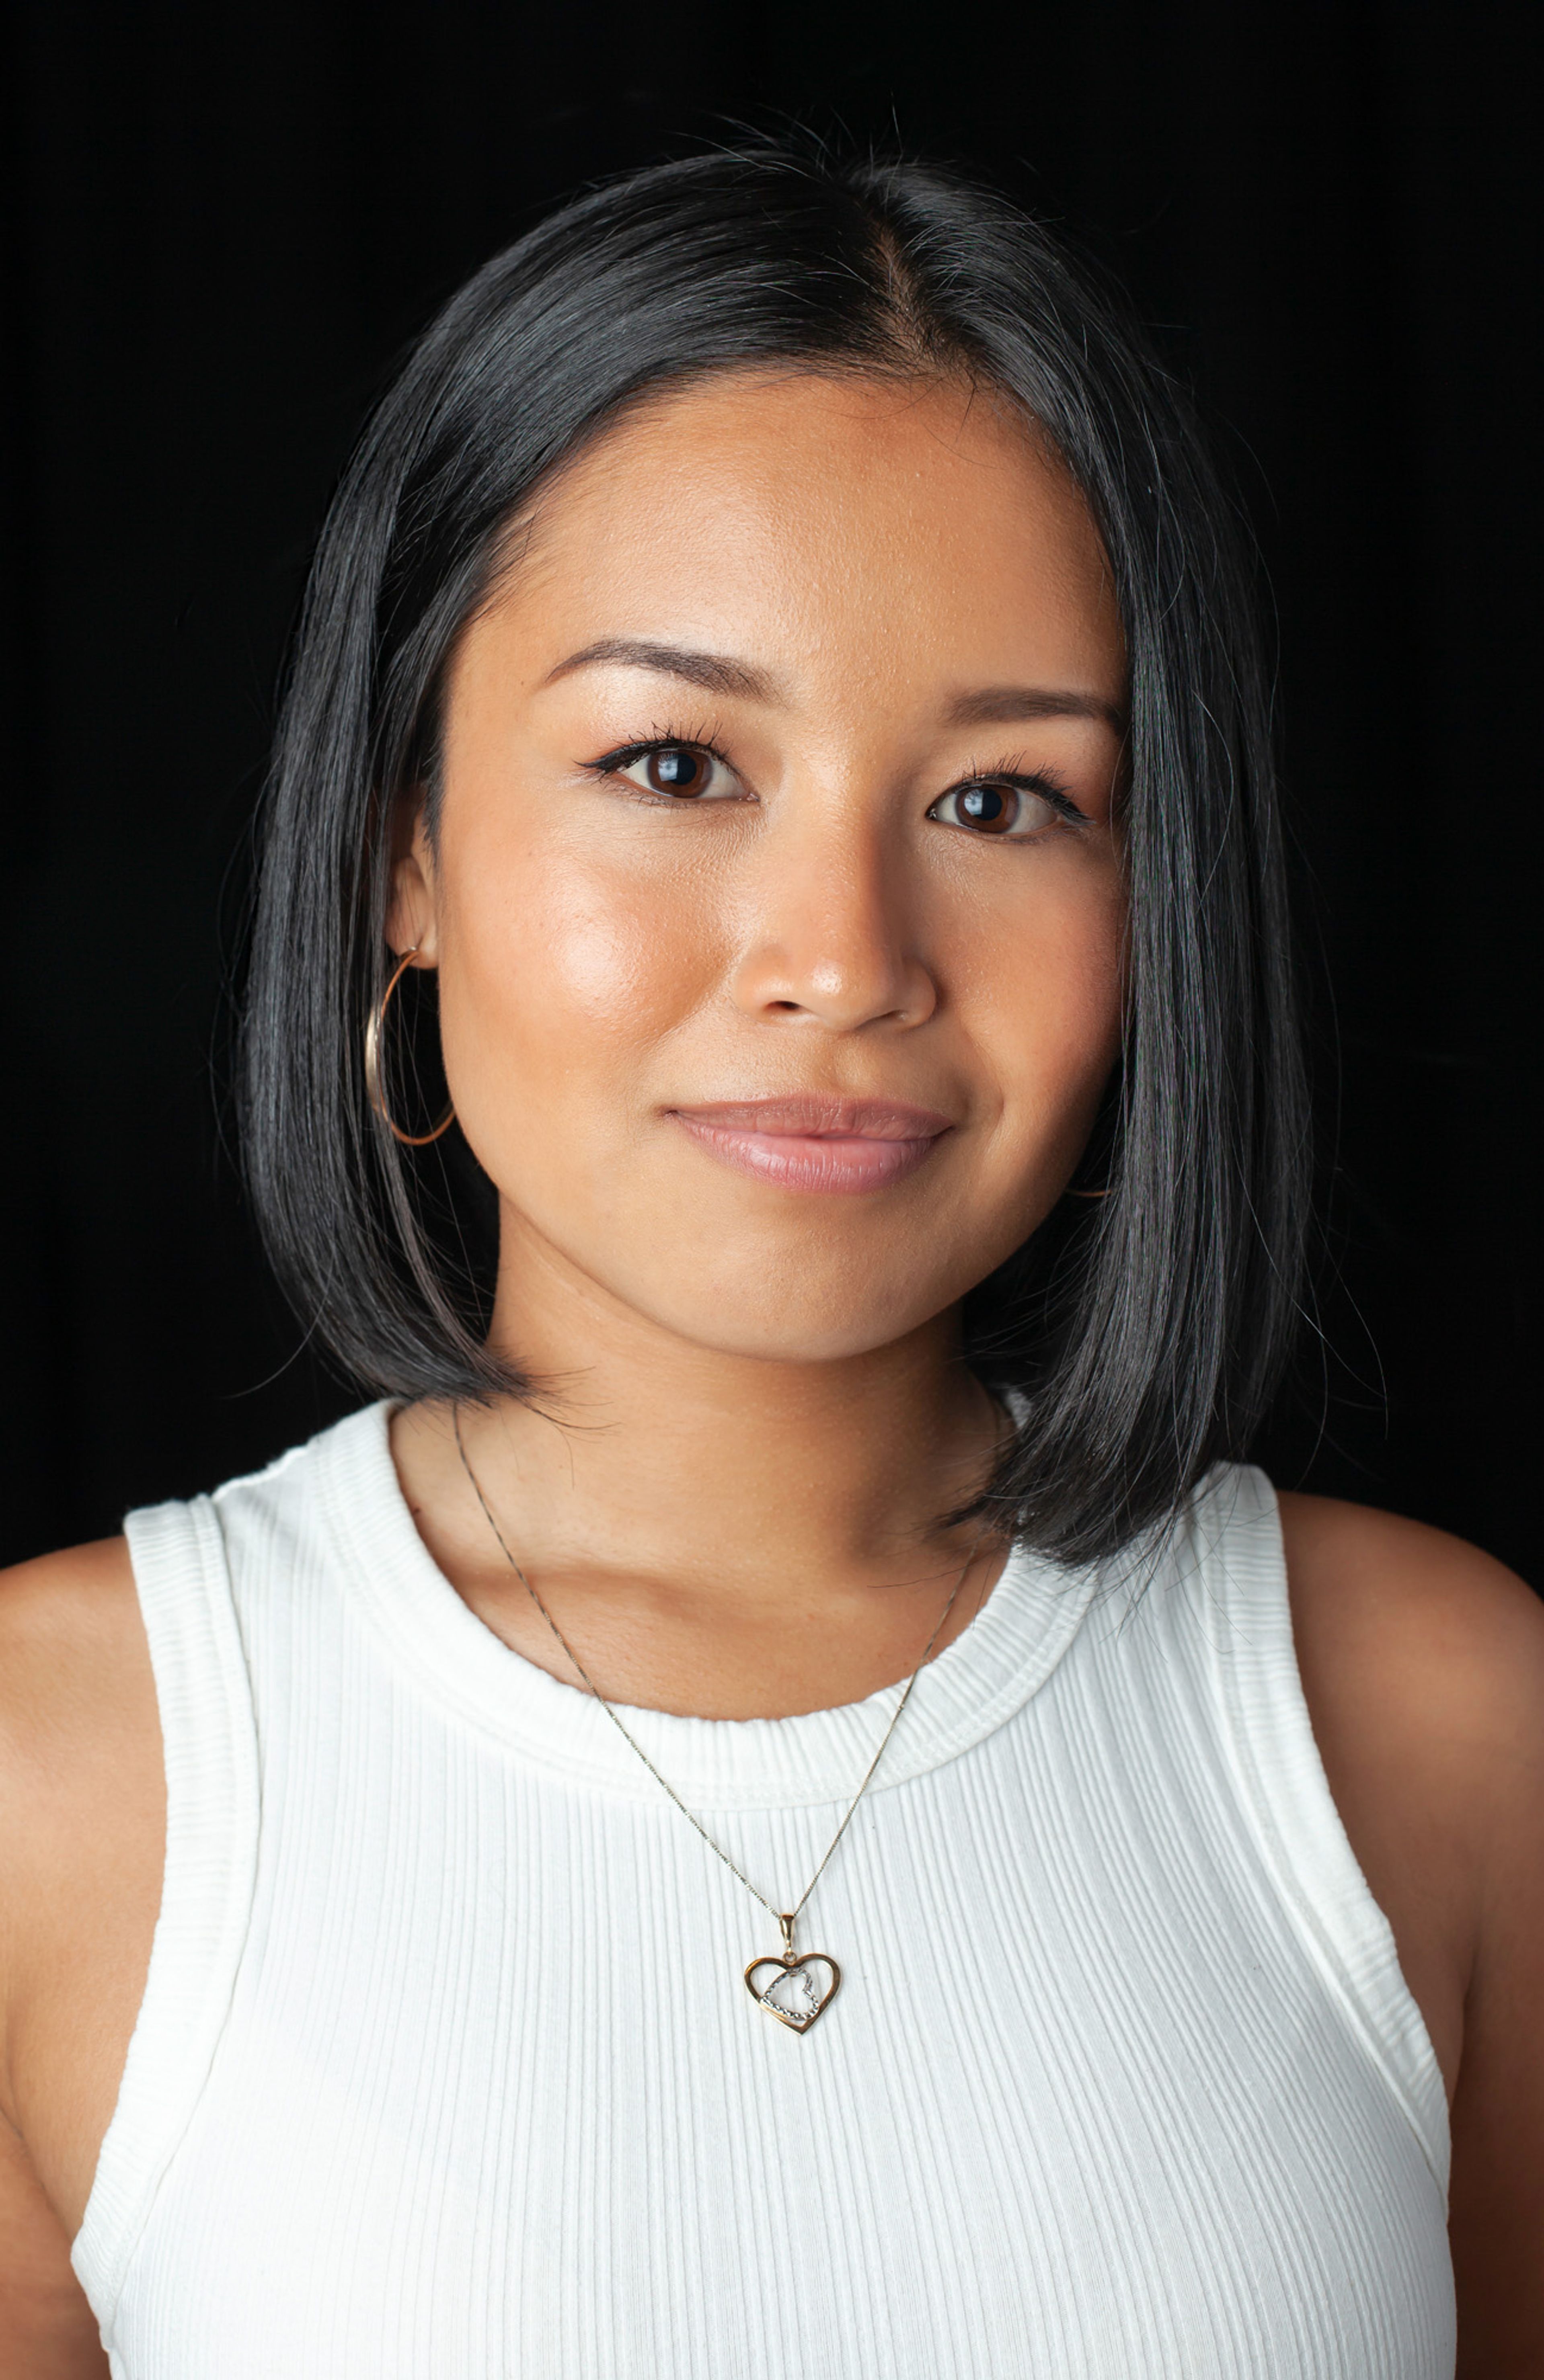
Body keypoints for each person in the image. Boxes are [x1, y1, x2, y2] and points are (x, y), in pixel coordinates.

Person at [1, 145, 1538, 2380]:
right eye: (675, 761)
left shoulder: (1436, 1720)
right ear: (398, 853)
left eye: (1006, 800)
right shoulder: (57, 1772)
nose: (842, 958)